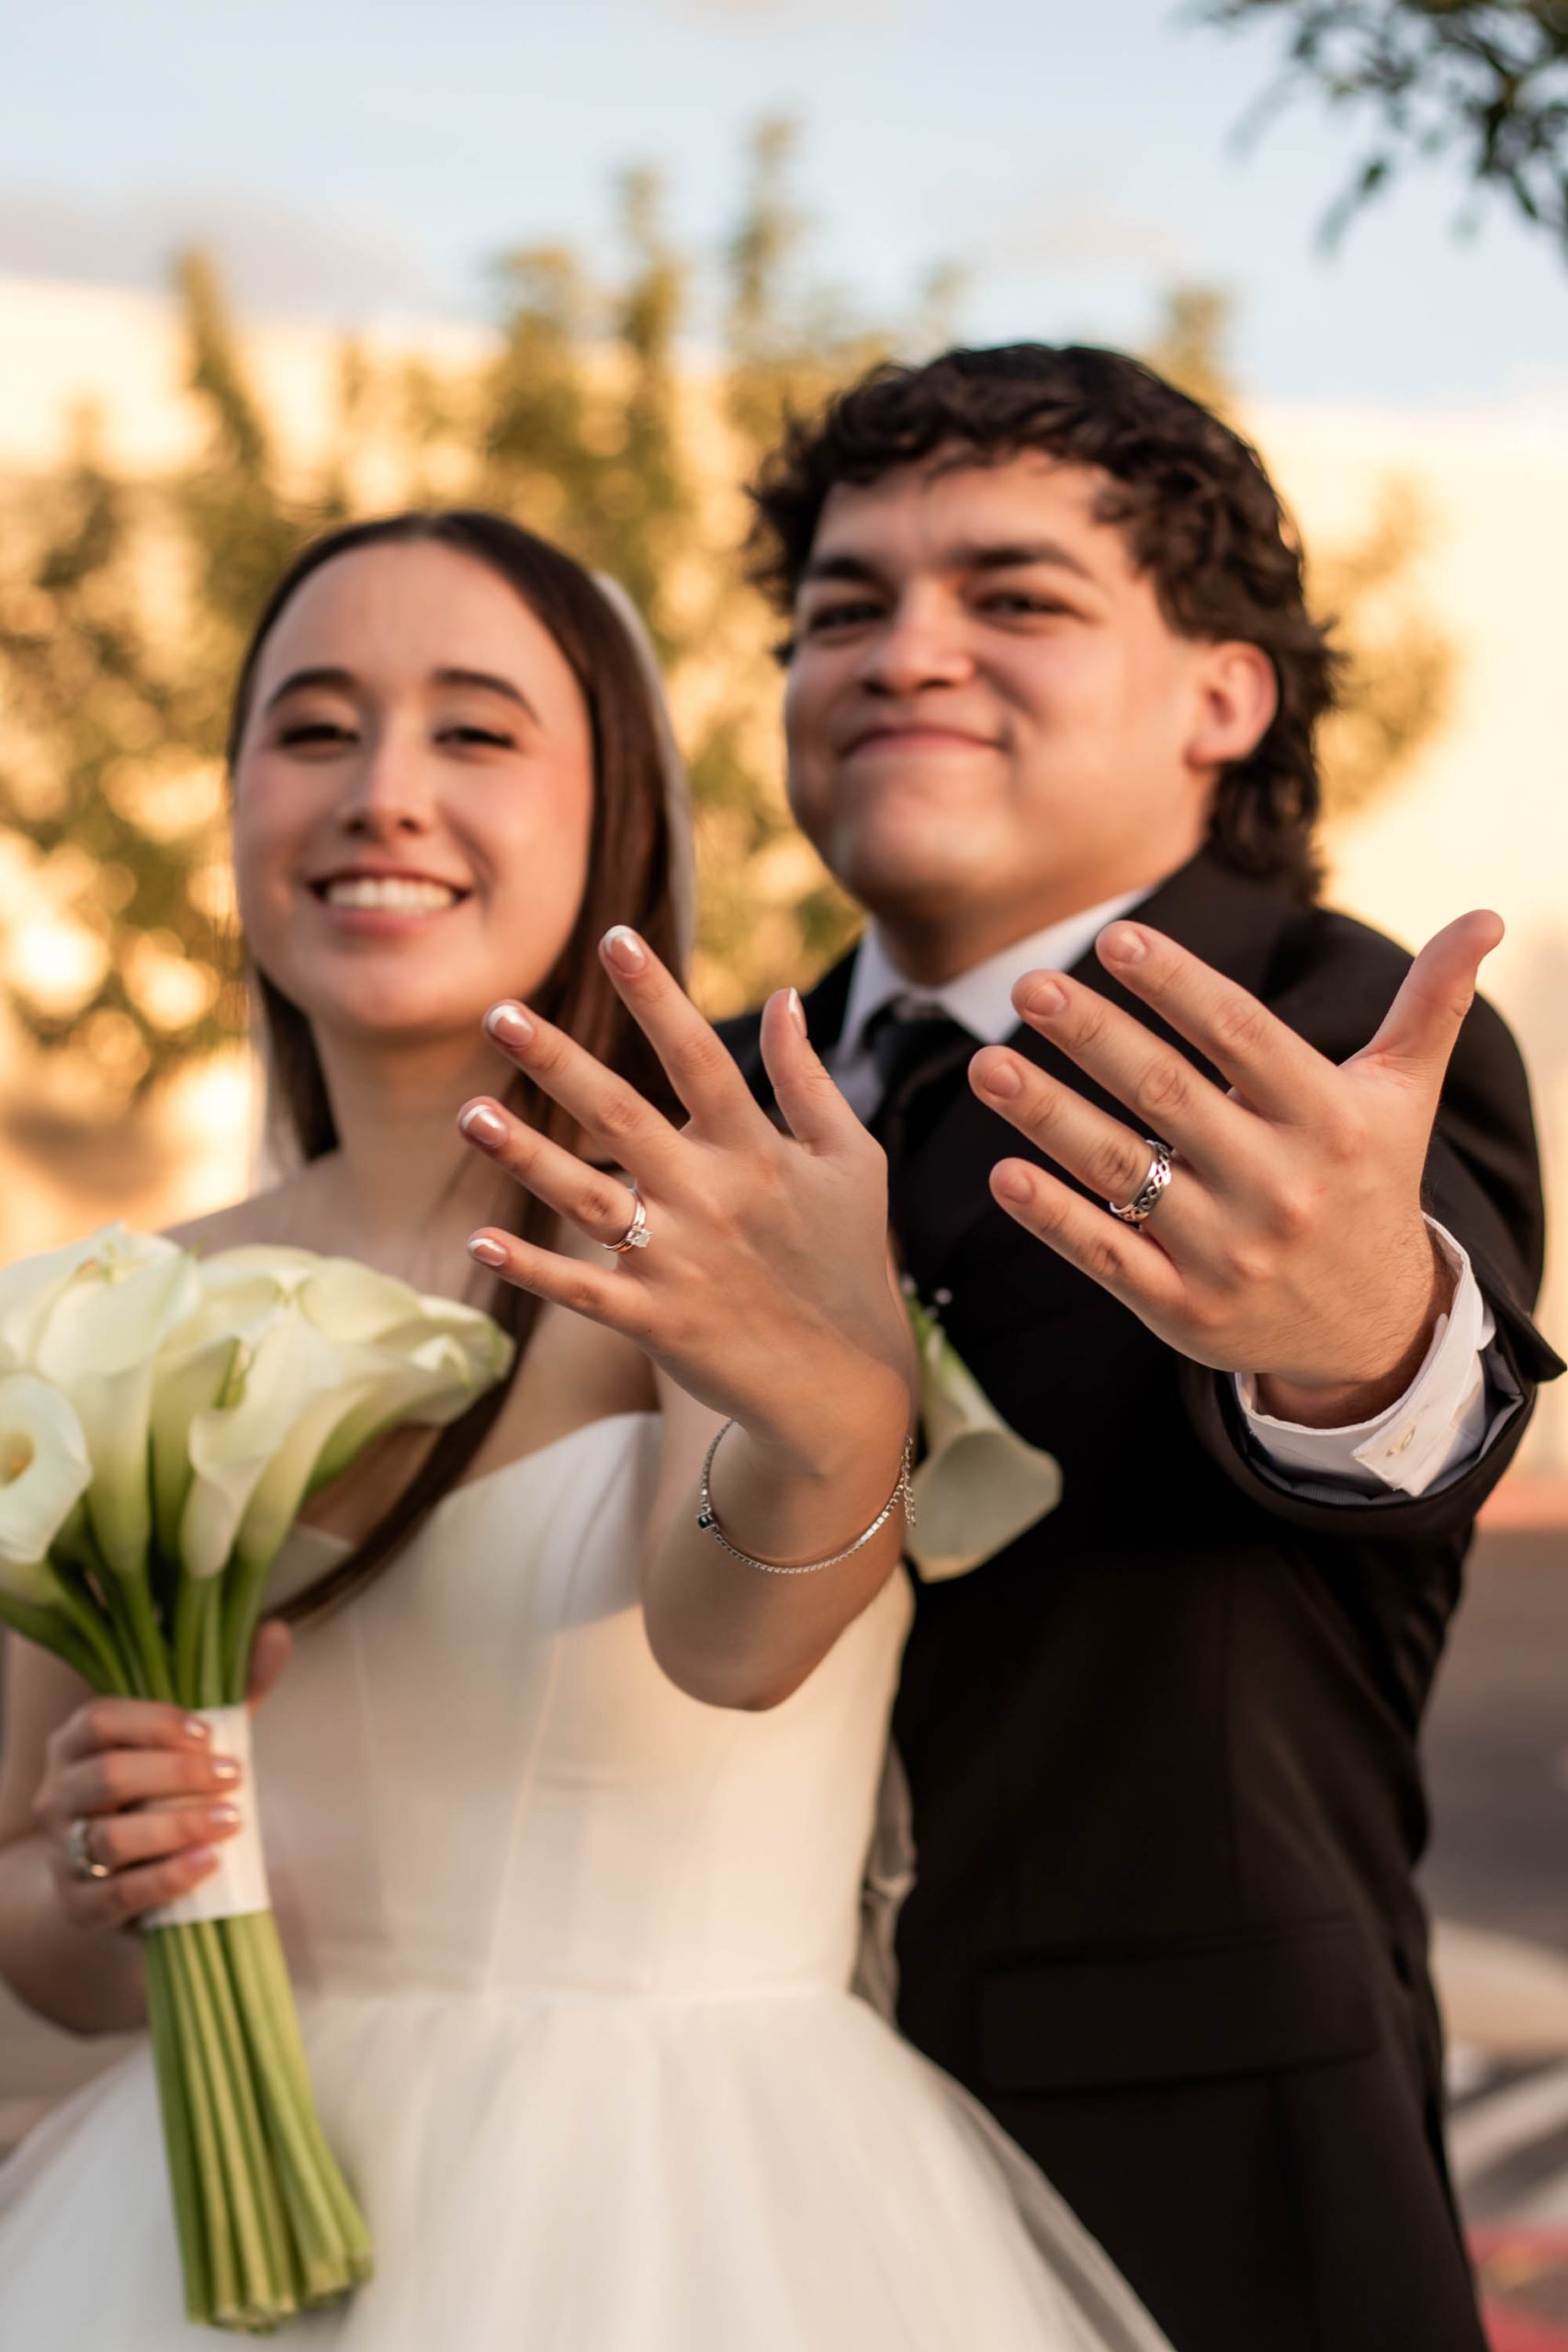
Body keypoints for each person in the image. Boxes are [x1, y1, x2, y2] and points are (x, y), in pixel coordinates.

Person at [0, 509, 1172, 2349]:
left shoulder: (717, 1217)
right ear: (232, 800)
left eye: (474, 730)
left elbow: (736, 1638)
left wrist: (830, 1420)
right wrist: (103, 1873)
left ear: (614, 809)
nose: (383, 794)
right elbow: (46, 1930)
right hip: (180, 2244)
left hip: (684, 2225)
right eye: (313, 729)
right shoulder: (95, 1313)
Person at [723, 344, 1562, 2352]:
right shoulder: (722, 1091)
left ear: (1221, 695)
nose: (905, 652)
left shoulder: (1324, 1031)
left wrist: (1363, 1333)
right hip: (724, 2178)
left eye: (1011, 595)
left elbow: (1412, 1384)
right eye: (844, 607)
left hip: (1191, 2197)